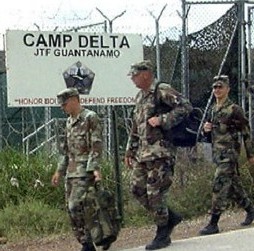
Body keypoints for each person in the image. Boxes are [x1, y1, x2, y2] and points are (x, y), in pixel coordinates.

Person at [124, 60, 192, 250]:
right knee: (137, 189)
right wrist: (130, 149)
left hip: (161, 152)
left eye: (135, 75)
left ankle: (162, 233)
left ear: (146, 74)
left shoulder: (161, 90)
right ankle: (170, 217)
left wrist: (163, 119)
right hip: (142, 154)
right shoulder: (139, 97)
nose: (133, 79)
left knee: (155, 194)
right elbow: (136, 127)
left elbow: (185, 106)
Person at [51, 88, 114, 251]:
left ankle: (88, 244)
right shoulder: (69, 122)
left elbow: (96, 145)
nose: (62, 108)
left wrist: (94, 168)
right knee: (71, 209)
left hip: (84, 171)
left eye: (64, 104)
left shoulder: (90, 118)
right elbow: (65, 150)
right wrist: (59, 171)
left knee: (77, 206)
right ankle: (90, 240)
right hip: (71, 173)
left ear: (74, 100)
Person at [199, 75, 254, 235]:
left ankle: (213, 222)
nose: (217, 90)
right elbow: (210, 134)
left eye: (220, 87)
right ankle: (250, 209)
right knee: (234, 186)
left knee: (219, 184)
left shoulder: (234, 110)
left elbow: (246, 132)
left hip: (229, 154)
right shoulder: (213, 110)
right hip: (218, 153)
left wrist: (250, 154)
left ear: (227, 89)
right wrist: (206, 129)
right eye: (215, 87)